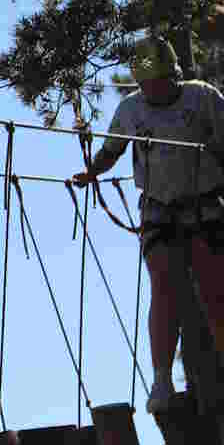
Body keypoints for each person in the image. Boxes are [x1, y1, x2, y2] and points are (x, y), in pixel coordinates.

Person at [71, 36, 224, 413]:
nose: (154, 90)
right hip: (159, 211)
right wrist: (91, 173)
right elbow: (112, 151)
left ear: (173, 76)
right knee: (164, 288)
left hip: (205, 207)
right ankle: (161, 379)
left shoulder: (202, 98)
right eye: (147, 84)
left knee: (214, 291)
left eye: (159, 82)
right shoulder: (131, 110)